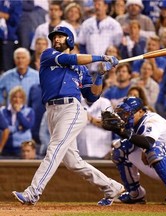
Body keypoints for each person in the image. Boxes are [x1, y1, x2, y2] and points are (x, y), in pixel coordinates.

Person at [12, 26, 124, 206]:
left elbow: (93, 96)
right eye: (55, 37)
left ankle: (33, 192)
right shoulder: (48, 55)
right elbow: (71, 58)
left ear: (69, 40)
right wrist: (101, 57)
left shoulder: (82, 70)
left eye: (61, 37)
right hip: (52, 111)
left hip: (72, 109)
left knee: (54, 149)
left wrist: (101, 75)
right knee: (73, 162)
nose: (56, 39)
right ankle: (112, 187)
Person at [104, 97, 166, 204]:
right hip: (165, 160)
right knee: (120, 149)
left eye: (128, 113)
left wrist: (121, 131)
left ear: (141, 112)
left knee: (153, 148)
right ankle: (135, 194)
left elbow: (148, 143)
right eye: (123, 113)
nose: (125, 117)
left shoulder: (152, 120)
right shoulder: (135, 123)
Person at [77, 0, 123, 73]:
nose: (96, 7)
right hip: (90, 67)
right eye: (95, 4)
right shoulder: (86, 24)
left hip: (109, 68)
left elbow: (118, 46)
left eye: (99, 4)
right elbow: (82, 44)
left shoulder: (114, 24)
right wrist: (86, 62)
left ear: (106, 6)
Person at [0, 86, 35, 158]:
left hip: (22, 148)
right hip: (6, 147)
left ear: (23, 99)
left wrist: (19, 112)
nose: (17, 100)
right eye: (15, 97)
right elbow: (5, 128)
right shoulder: (3, 111)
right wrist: (18, 128)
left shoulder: (29, 111)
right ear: (10, 98)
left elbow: (28, 125)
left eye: (20, 97)